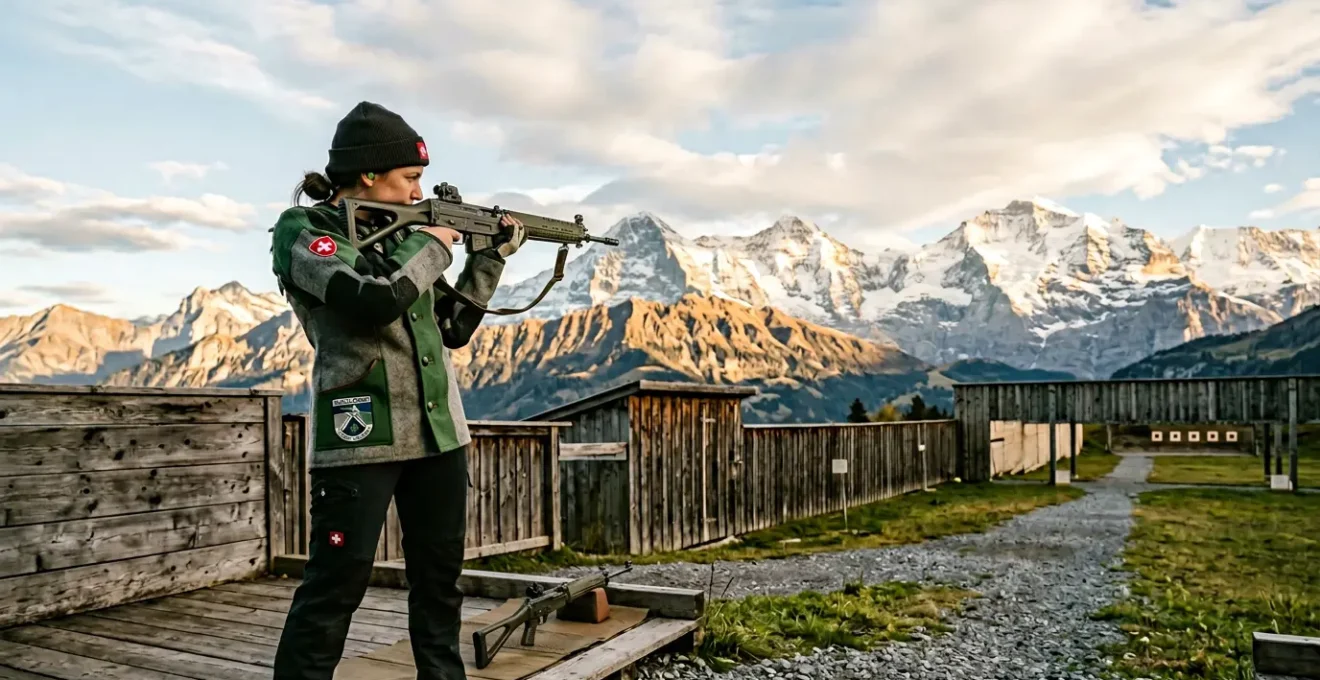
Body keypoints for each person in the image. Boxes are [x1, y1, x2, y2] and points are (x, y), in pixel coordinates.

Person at [268, 100, 526, 680]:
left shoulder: (400, 236)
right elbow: (372, 300)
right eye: (410, 178)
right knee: (336, 585)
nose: (417, 192)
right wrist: (434, 242)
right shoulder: (304, 232)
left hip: (440, 436)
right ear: (367, 175)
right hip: (361, 434)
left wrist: (486, 260)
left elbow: (453, 329)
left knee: (440, 587)